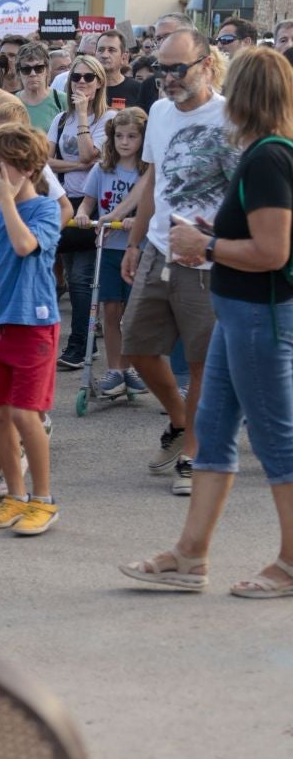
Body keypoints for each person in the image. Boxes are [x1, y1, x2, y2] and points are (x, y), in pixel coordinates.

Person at [119, 47, 293, 596]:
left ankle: (290, 563)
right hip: (237, 313)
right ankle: (190, 556)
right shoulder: (263, 152)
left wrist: (206, 244)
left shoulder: (268, 157)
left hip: (258, 316)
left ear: (242, 94)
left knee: (276, 441)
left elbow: (273, 252)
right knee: (214, 432)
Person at [119, 29, 237, 491]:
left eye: (176, 68)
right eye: (160, 68)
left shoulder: (232, 117)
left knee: (204, 358)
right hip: (156, 246)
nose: (165, 78)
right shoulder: (160, 113)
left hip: (206, 260)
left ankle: (194, 450)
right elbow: (152, 178)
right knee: (136, 346)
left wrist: (217, 243)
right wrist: (133, 241)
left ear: (206, 64)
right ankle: (180, 419)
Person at [0, 123, 63, 537]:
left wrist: (7, 202)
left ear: (26, 168)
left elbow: (26, 246)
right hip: (0, 326)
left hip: (35, 325)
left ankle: (43, 501)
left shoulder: (45, 209)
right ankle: (15, 495)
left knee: (26, 414)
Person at [74, 107, 150, 398]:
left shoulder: (147, 173)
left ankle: (130, 367)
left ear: (143, 139)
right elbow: (88, 203)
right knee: (110, 310)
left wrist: (136, 219)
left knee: (132, 314)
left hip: (136, 250)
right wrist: (83, 215)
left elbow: (151, 209)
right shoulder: (103, 168)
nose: (125, 142)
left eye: (132, 136)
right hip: (108, 248)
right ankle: (115, 368)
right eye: (119, 136)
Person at [48, 55, 111, 369]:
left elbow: (92, 153)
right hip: (64, 202)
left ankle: (80, 346)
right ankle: (82, 343)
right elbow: (47, 162)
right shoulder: (60, 119)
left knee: (81, 278)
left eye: (88, 77)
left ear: (99, 82)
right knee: (71, 277)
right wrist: (76, 165)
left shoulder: (108, 119)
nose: (82, 82)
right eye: (77, 77)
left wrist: (85, 114)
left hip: (92, 204)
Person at [16, 44, 64, 132]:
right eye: (26, 69)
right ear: (19, 73)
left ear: (47, 70)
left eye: (39, 68)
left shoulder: (62, 100)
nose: (33, 74)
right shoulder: (11, 101)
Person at [93, 31, 139, 111]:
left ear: (123, 57)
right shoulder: (86, 86)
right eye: (101, 50)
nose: (105, 55)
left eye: (111, 50)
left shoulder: (138, 89)